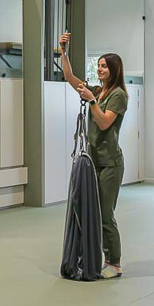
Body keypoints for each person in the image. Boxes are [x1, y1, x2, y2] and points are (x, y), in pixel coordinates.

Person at [59, 32, 127, 278]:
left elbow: (105, 122)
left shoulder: (117, 95)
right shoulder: (98, 91)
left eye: (104, 66)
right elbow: (69, 77)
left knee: (106, 214)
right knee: (93, 213)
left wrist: (91, 102)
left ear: (114, 70)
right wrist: (63, 51)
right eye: (98, 65)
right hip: (93, 162)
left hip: (110, 164)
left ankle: (114, 263)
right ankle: (99, 258)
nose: (100, 69)